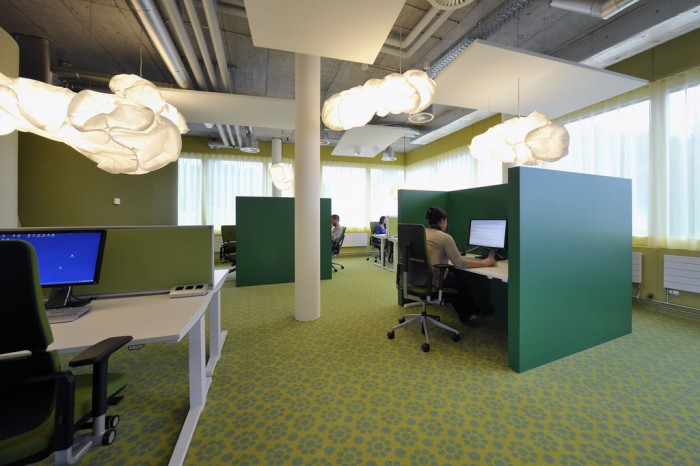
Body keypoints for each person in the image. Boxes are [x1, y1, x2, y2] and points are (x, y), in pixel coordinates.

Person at [424, 206, 496, 323]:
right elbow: (460, 263)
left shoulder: (423, 233)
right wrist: (486, 262)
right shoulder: (445, 237)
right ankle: (471, 314)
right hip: (435, 278)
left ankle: (467, 314)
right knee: (461, 285)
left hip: (419, 276)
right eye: (446, 220)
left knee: (454, 281)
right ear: (442, 221)